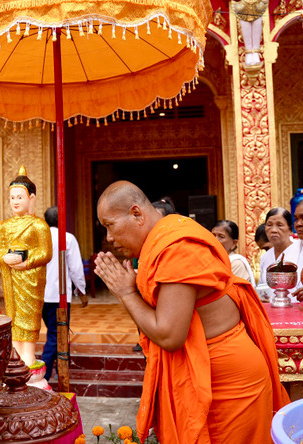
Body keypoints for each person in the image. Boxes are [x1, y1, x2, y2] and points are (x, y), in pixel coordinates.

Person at [94, 181, 288, 444]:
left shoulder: (176, 247)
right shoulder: (167, 236)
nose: (108, 237)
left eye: (110, 225)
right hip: (212, 375)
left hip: (228, 384)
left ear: (136, 213)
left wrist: (126, 293)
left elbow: (169, 335)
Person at [0, 166, 52, 368]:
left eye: (20, 197)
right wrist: (5, 258)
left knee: (28, 316)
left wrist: (27, 263)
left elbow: (46, 253)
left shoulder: (39, 225)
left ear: (31, 198)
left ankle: (28, 355)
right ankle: (15, 355)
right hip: (11, 278)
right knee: (13, 315)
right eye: (12, 198)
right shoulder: (4, 226)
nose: (16, 201)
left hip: (31, 278)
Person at [42, 206, 86, 381]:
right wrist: (81, 291)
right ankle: (44, 374)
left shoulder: (39, 239)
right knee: (57, 333)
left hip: (41, 295)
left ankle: (62, 367)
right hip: (59, 296)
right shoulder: (66, 238)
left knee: (57, 332)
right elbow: (75, 268)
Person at [257, 207, 303, 302]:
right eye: (269, 225)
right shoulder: (265, 257)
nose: (273, 230)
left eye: (279, 225)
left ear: (290, 229)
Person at [212, 220, 255, 287]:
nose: (215, 240)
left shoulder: (236, 263)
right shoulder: (210, 260)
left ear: (234, 243)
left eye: (221, 236)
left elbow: (231, 293)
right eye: (213, 235)